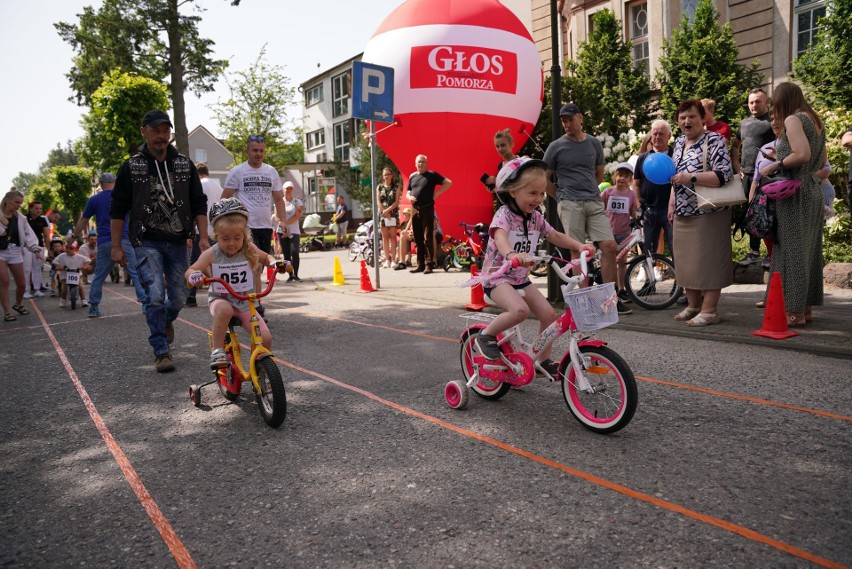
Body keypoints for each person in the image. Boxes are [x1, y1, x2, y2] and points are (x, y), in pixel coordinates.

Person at [472, 158, 596, 375]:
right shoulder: (504, 216)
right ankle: (486, 336)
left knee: (549, 315)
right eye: (532, 193)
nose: (538, 199)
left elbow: (555, 235)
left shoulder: (535, 217)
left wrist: (580, 245)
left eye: (541, 194)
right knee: (520, 310)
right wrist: (511, 254)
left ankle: (541, 360)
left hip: (520, 277)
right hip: (497, 278)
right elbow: (500, 238)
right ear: (512, 192)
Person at [110, 109, 209, 373]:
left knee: (177, 298)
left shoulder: (184, 165)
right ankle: (161, 350)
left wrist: (203, 238)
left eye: (165, 131)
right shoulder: (131, 167)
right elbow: (117, 208)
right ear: (144, 131)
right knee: (153, 295)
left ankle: (164, 321)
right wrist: (117, 245)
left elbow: (199, 202)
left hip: (178, 241)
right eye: (155, 130)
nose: (161, 136)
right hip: (145, 241)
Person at [543, 103, 629, 315]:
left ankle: (609, 301)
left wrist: (588, 189)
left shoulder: (593, 143)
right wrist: (559, 196)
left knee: (609, 245)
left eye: (570, 119)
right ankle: (584, 301)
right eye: (563, 120)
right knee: (577, 249)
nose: (566, 124)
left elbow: (599, 174)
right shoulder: (556, 146)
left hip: (593, 200)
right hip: (569, 202)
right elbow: (543, 177)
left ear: (580, 118)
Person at [185, 198, 287, 369]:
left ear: (244, 236)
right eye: (225, 239)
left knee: (266, 338)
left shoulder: (248, 248)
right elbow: (192, 268)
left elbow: (266, 257)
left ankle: (261, 370)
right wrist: (194, 275)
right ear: (216, 237)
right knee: (224, 310)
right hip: (221, 299)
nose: (231, 243)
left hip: (246, 302)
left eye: (237, 238)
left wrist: (276, 264)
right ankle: (217, 350)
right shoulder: (212, 253)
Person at [757, 82, 826, 326]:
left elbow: (802, 155)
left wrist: (776, 164)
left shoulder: (793, 120)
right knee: (808, 250)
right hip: (811, 189)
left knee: (791, 251)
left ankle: (793, 312)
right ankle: (805, 308)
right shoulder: (815, 121)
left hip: (794, 191)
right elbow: (820, 161)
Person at [667, 99, 734, 327]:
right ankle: (693, 305)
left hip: (709, 210)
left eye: (692, 116)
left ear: (703, 118)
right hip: (683, 210)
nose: (687, 121)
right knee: (687, 261)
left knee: (709, 261)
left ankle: (710, 310)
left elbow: (724, 174)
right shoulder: (677, 143)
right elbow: (674, 178)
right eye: (683, 117)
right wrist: (671, 203)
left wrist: (692, 177)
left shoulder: (714, 140)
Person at [74, 172, 147, 317]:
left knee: (99, 276)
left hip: (106, 241)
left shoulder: (94, 199)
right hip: (125, 239)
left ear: (101, 183)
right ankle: (145, 304)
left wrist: (75, 236)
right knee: (135, 272)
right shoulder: (125, 197)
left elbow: (83, 220)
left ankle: (93, 307)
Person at [221, 135, 286, 287]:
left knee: (260, 266)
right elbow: (224, 199)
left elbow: (278, 198)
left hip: (265, 226)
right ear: (247, 151)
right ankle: (253, 302)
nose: (259, 154)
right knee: (253, 265)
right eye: (255, 150)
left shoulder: (271, 171)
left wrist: (282, 220)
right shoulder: (238, 172)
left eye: (262, 151)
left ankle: (252, 300)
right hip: (246, 227)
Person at [731, 88, 775, 268]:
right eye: (751, 102)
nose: (754, 105)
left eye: (758, 101)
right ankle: (753, 252)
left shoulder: (772, 121)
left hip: (767, 176)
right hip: (747, 175)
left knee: (767, 214)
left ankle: (772, 254)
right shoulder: (745, 123)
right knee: (750, 214)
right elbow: (735, 147)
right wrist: (737, 166)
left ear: (766, 102)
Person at [632, 119, 674, 256]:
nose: (657, 137)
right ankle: (649, 272)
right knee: (648, 247)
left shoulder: (676, 156)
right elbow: (636, 183)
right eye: (654, 134)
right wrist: (639, 204)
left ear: (669, 136)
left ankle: (680, 275)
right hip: (649, 210)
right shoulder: (643, 158)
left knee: (675, 245)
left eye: (661, 134)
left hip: (670, 209)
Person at [0, 190, 43, 321]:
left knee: (22, 283)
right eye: (16, 202)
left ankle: (18, 304)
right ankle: (7, 312)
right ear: (7, 201)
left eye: (20, 203)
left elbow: (29, 235)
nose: (18, 206)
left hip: (15, 251)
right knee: (4, 281)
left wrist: (35, 249)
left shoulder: (21, 218)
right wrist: (2, 226)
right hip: (0, 251)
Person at [602, 162, 640, 305]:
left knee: (622, 262)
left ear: (630, 179)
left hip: (624, 232)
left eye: (625, 176)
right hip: (608, 232)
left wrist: (637, 214)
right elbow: (599, 208)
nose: (621, 178)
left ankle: (621, 289)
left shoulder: (630, 194)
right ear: (615, 176)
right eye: (619, 175)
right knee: (609, 260)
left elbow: (633, 210)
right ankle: (611, 287)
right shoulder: (608, 192)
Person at [407, 154, 453, 274]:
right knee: (417, 238)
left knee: (428, 238)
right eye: (418, 162)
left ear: (426, 164)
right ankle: (420, 265)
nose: (420, 164)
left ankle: (429, 265)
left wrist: (436, 194)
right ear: (415, 164)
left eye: (423, 162)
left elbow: (448, 182)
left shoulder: (432, 175)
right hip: (415, 209)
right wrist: (409, 197)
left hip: (427, 209)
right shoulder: (412, 176)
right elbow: (407, 191)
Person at [186, 162, 223, 307]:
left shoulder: (198, 185)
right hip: (216, 229)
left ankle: (190, 296)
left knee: (196, 262)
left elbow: (193, 208)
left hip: (200, 229)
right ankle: (223, 291)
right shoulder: (217, 186)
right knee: (218, 261)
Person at [52, 242, 92, 308]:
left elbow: (88, 261)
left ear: (75, 249)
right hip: (65, 274)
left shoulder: (79, 256)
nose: (68, 250)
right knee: (64, 288)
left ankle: (83, 300)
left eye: (71, 248)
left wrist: (84, 266)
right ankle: (63, 300)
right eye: (67, 248)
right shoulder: (62, 256)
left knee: (80, 287)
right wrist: (59, 266)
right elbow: (55, 262)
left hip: (76, 273)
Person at [23, 200, 50, 298]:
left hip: (39, 245)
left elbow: (46, 236)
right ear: (30, 209)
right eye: (36, 208)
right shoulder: (24, 219)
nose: (39, 211)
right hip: (26, 247)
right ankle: (26, 290)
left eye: (40, 209)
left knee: (37, 268)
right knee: (26, 269)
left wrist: (49, 249)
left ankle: (37, 289)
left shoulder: (42, 220)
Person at [376, 167, 401, 268]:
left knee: (393, 237)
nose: (386, 176)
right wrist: (384, 212)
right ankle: (387, 259)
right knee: (385, 237)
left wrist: (389, 210)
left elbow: (396, 202)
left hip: (393, 214)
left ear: (392, 175)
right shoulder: (379, 187)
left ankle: (394, 259)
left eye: (388, 174)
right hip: (383, 215)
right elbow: (378, 201)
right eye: (384, 174)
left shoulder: (396, 187)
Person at [279, 181, 304, 281]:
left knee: (295, 251)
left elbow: (297, 216)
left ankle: (296, 274)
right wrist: (283, 225)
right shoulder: (280, 201)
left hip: (294, 231)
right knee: (286, 254)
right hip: (282, 230)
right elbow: (277, 216)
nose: (288, 190)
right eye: (286, 188)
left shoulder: (297, 202)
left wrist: (286, 223)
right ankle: (290, 275)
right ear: (283, 189)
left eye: (290, 188)